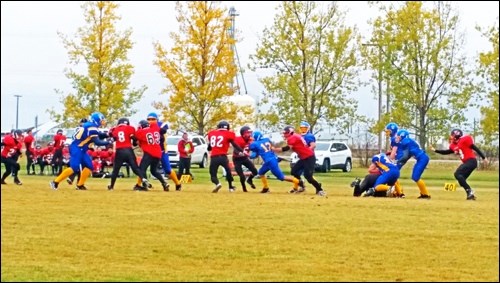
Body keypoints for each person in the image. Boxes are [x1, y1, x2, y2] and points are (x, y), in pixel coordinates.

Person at [50, 112, 110, 190]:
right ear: (96, 120)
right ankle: (55, 182)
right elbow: (97, 142)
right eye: (101, 120)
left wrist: (109, 134)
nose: (103, 121)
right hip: (77, 147)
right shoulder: (92, 127)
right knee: (74, 167)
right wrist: (110, 142)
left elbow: (99, 135)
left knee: (89, 166)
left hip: (82, 148)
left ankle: (80, 185)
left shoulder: (90, 125)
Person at [429, 129, 488, 200]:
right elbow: (446, 152)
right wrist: (435, 150)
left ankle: (469, 190)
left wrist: (483, 157)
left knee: (457, 174)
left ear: (456, 136)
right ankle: (470, 195)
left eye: (452, 135)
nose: (451, 137)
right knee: (461, 180)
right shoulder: (453, 145)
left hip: (471, 161)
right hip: (467, 162)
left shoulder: (465, 140)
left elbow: (475, 148)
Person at [274, 125, 326, 196]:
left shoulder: (293, 137)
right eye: (284, 133)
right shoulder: (296, 136)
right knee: (294, 171)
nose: (284, 134)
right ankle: (301, 184)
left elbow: (287, 148)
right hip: (303, 157)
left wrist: (276, 149)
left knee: (308, 176)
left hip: (309, 157)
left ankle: (320, 189)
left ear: (290, 132)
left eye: (286, 133)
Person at [107, 117, 149, 191]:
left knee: (115, 170)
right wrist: (135, 143)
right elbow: (134, 139)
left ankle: (111, 186)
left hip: (119, 151)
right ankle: (143, 179)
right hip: (128, 150)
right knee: (135, 168)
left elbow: (111, 137)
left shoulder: (115, 129)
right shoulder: (130, 128)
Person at [206, 120, 244, 193]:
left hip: (214, 157)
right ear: (227, 127)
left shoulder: (212, 133)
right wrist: (242, 151)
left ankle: (217, 183)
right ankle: (230, 187)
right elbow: (234, 145)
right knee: (228, 172)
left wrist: (212, 147)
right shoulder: (229, 134)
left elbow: (209, 148)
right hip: (223, 157)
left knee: (213, 174)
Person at [148, 113, 182, 191]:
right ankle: (139, 185)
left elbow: (164, 129)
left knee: (167, 169)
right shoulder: (147, 126)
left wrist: (155, 127)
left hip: (162, 151)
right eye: (149, 119)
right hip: (151, 151)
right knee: (143, 167)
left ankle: (178, 183)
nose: (151, 121)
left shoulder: (161, 125)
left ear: (157, 119)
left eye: (153, 119)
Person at [395, 129, 431, 199]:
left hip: (422, 159)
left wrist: (398, 161)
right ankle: (424, 194)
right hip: (422, 158)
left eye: (398, 137)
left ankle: (425, 195)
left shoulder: (405, 141)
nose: (397, 138)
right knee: (415, 177)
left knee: (415, 177)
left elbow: (405, 156)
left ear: (402, 136)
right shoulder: (409, 141)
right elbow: (408, 155)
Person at [135, 119, 169, 191]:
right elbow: (162, 130)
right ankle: (164, 183)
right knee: (153, 171)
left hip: (149, 152)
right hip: (158, 153)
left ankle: (145, 185)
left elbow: (136, 138)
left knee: (142, 169)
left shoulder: (141, 132)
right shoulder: (155, 128)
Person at [231, 126, 258, 192]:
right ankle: (244, 188)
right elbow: (236, 149)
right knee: (241, 176)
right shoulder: (238, 139)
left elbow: (255, 148)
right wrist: (241, 153)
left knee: (255, 171)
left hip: (245, 158)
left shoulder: (251, 140)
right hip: (237, 159)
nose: (249, 134)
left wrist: (255, 153)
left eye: (250, 133)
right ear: (243, 133)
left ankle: (249, 180)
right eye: (247, 133)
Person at [383, 122, 405, 197]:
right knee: (393, 175)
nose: (387, 133)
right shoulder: (395, 138)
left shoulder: (394, 139)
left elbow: (395, 150)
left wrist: (390, 159)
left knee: (393, 174)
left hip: (398, 158)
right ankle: (398, 192)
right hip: (400, 157)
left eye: (388, 131)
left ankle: (400, 193)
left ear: (392, 130)